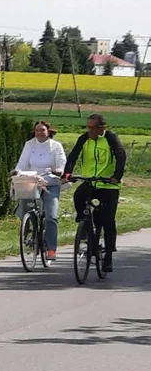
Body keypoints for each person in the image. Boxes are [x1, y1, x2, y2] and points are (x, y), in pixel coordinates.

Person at [63, 113, 127, 271]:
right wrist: (67, 173)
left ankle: (109, 258)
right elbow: (73, 156)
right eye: (88, 127)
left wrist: (116, 176)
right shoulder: (84, 138)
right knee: (78, 196)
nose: (89, 131)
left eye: (93, 128)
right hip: (90, 181)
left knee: (107, 220)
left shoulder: (110, 138)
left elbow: (121, 156)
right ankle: (84, 224)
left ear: (102, 128)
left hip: (108, 185)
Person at [12, 120, 67, 261]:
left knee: (51, 215)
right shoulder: (29, 145)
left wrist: (59, 171)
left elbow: (62, 163)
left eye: (42, 130)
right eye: (37, 130)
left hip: (51, 183)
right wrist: (17, 172)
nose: (40, 133)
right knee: (23, 207)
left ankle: (51, 248)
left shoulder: (56, 146)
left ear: (48, 131)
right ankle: (29, 230)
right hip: (32, 181)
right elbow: (22, 162)